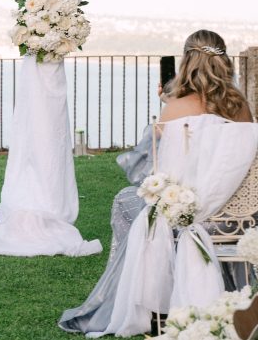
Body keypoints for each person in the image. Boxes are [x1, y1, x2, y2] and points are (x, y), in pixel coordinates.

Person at [59, 29, 253, 335]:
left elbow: (146, 171)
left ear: (186, 62)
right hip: (234, 219)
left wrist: (167, 104)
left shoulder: (175, 108)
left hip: (184, 217)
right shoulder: (241, 107)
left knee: (125, 201)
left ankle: (145, 300)